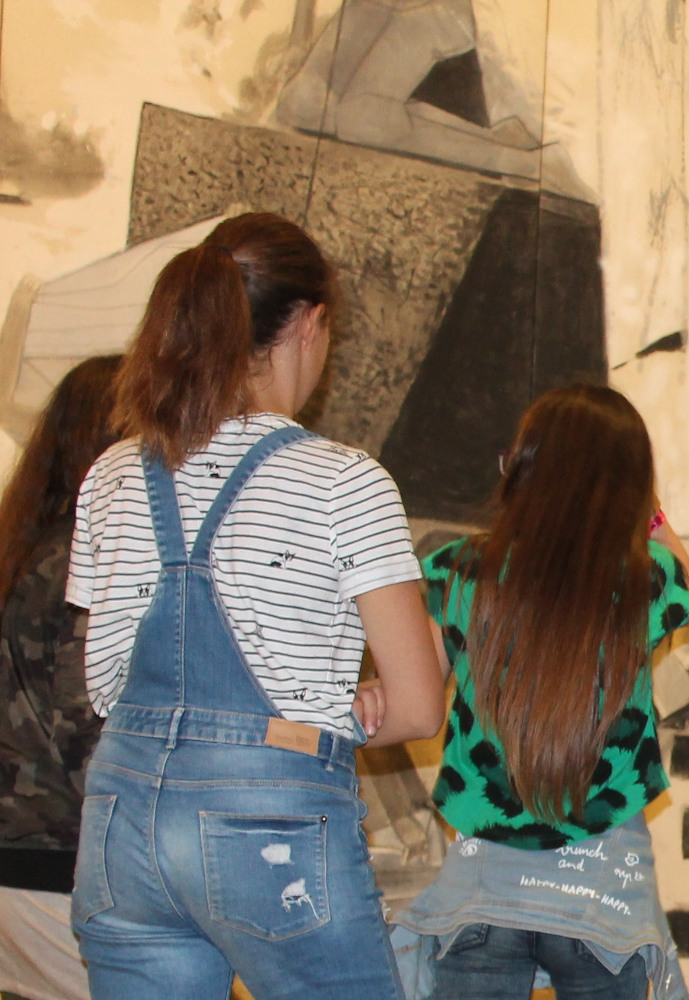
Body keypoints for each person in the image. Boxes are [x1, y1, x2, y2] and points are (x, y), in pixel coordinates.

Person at [68, 213, 447, 999]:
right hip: (269, 820)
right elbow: (416, 709)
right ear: (309, 323)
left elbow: (103, 681)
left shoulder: (111, 473)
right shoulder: (345, 481)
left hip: (121, 817)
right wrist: (328, 713)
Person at [389, 383, 689, 1000]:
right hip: (603, 891)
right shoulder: (645, 580)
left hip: (482, 889)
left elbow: (416, 697)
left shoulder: (459, 569)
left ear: (522, 470)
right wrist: (652, 514)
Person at [0, 356, 121, 1000]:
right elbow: (90, 733)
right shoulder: (86, 558)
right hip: (60, 867)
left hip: (24, 865)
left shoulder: (25, 546)